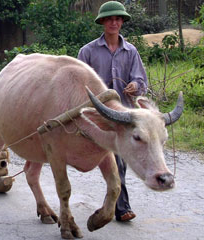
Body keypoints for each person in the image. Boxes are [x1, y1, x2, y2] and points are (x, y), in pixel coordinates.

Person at [77, 0, 149, 222]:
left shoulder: (131, 51)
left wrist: (135, 86)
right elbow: (79, 84)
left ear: (122, 22)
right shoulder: (87, 51)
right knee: (110, 160)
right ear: (102, 22)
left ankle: (120, 205)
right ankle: (120, 205)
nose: (114, 22)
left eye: (118, 19)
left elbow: (141, 80)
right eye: (109, 19)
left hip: (123, 115)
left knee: (119, 161)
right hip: (98, 116)